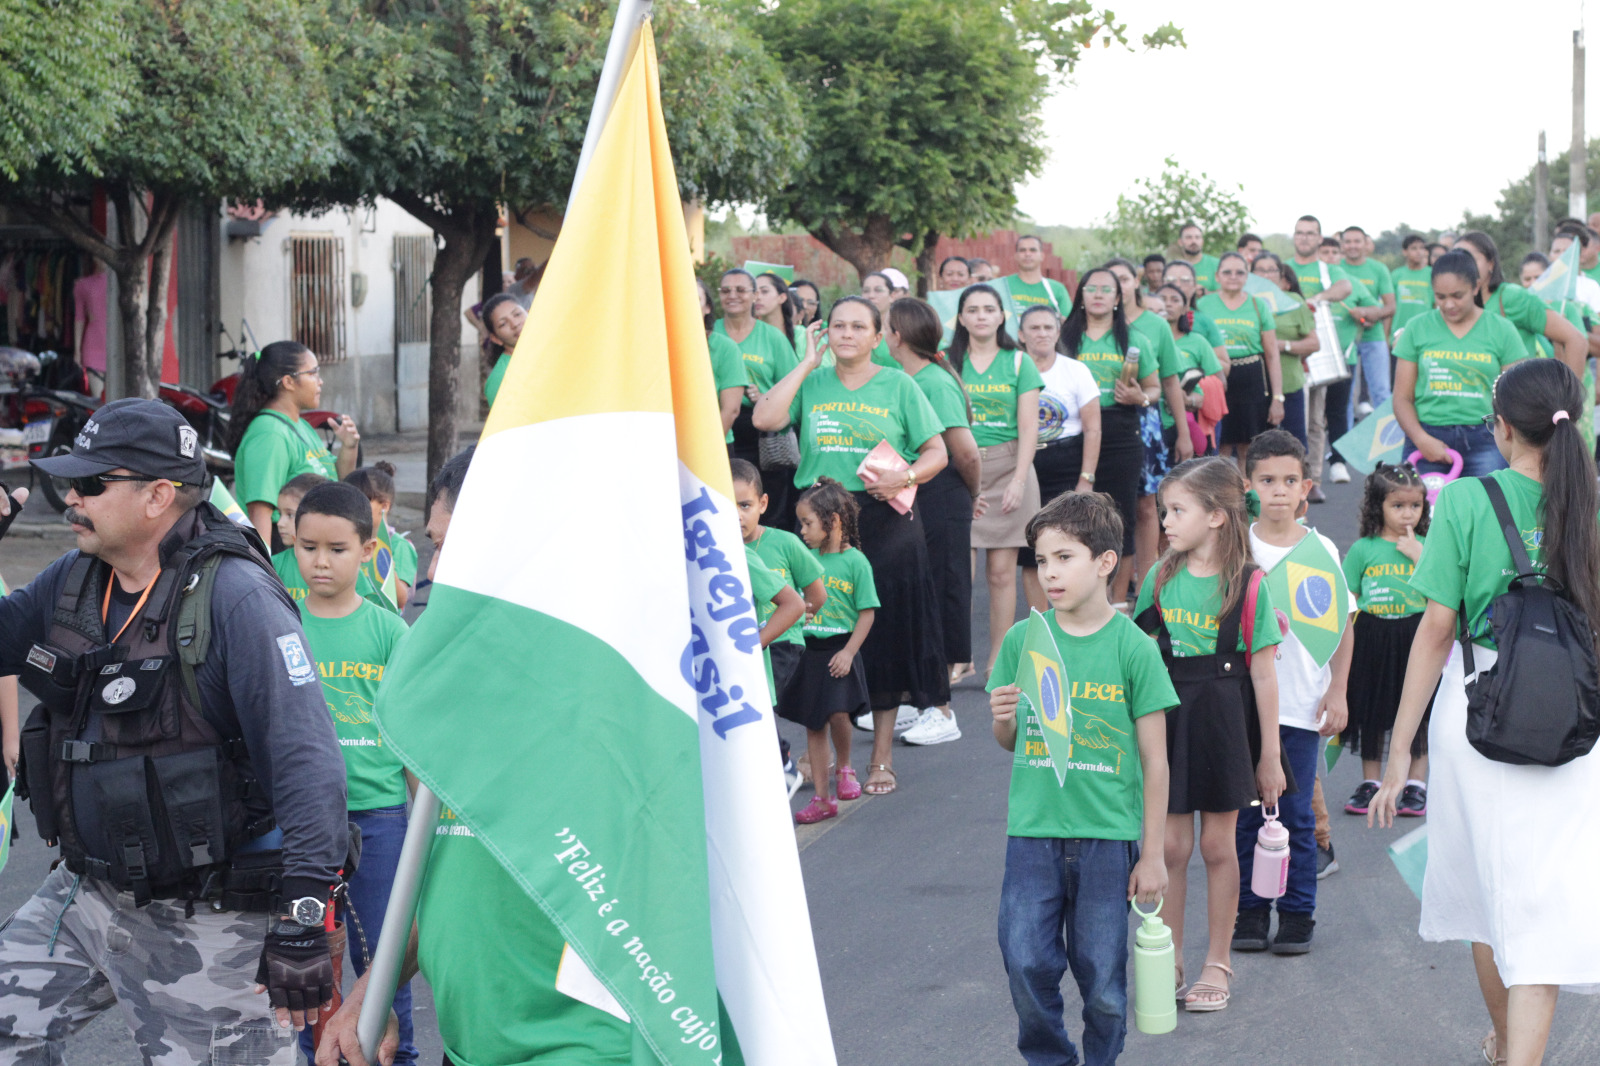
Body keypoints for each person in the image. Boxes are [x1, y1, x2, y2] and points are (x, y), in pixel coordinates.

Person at [0, 399, 348, 1060]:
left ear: (158, 495)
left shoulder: (238, 598)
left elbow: (307, 762)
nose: (71, 498)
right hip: (86, 895)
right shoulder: (77, 578)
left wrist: (304, 916)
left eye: (92, 483)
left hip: (209, 919)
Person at [1371, 357, 1600, 1066]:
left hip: (1478, 712)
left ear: (1502, 428)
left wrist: (1398, 753)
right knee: (1542, 909)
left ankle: (1507, 1049)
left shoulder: (1466, 501)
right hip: (1573, 718)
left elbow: (1436, 631)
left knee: (1483, 899)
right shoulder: (1590, 501)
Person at [989, 492, 1175, 1066]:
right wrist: (1003, 720)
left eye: (1064, 558)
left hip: (1107, 838)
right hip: (1033, 831)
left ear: (1104, 562)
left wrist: (1152, 856)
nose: (1049, 573)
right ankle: (1052, 1058)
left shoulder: (1134, 648)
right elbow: (1012, 741)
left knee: (1104, 984)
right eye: (1042, 560)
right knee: (1024, 960)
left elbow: (1156, 761)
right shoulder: (1024, 641)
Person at [753, 300, 949, 797]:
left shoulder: (899, 385)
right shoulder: (813, 381)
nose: (846, 333)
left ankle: (880, 757)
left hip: (883, 517)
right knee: (820, 634)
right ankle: (822, 753)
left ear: (878, 338)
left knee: (884, 636)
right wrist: (805, 362)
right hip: (818, 520)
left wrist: (905, 476)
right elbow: (765, 418)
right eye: (838, 325)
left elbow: (938, 452)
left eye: (859, 326)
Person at [1134, 456, 1285, 1013]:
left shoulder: (1249, 584)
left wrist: (1270, 756)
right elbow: (1135, 652)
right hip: (1169, 719)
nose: (1165, 521)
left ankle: (1217, 962)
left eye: (1178, 510)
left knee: (1219, 845)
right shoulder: (1159, 577)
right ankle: (1170, 957)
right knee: (1171, 846)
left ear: (1217, 516)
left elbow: (1264, 674)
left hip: (1223, 722)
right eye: (1165, 510)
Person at [289, 481, 417, 1066]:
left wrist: (425, 829)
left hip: (381, 817)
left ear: (367, 550)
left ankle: (399, 1056)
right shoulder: (280, 624)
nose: (321, 561)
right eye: (308, 546)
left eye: (337, 549)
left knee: (384, 964)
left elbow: (414, 738)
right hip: (300, 823)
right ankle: (313, 1056)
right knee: (304, 963)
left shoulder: (390, 632)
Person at [1234, 431, 1352, 957]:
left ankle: (1298, 913)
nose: (1278, 490)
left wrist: (1338, 691)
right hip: (1242, 705)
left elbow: (1343, 624)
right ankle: (1250, 911)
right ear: (1248, 485)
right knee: (1247, 815)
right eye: (1266, 480)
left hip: (1302, 704)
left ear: (1306, 487)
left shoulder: (1319, 549)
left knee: (1296, 815)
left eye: (1288, 480)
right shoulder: (1236, 546)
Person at [885, 298, 981, 745]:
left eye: (884, 328)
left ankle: (941, 708)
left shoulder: (935, 383)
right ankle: (917, 697)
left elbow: (966, 453)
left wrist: (973, 495)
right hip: (916, 494)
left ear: (897, 336)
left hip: (942, 494)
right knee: (916, 595)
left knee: (943, 594)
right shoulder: (907, 378)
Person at [947, 284, 1043, 676]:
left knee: (1002, 575)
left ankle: (998, 660)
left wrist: (1019, 479)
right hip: (960, 469)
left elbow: (1029, 428)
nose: (982, 316)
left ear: (1002, 316)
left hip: (1009, 469)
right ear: (960, 318)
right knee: (959, 576)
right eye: (973, 309)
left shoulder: (1019, 362)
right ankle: (959, 657)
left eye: (989, 309)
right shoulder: (947, 362)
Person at [1059, 268, 1159, 607]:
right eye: (1092, 288)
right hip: (1072, 431)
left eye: (1106, 289)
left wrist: (1139, 397)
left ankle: (1116, 602)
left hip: (1120, 430)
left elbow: (1154, 389)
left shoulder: (1134, 339)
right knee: (1074, 517)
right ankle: (1078, 596)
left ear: (1118, 298)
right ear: (1081, 295)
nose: (1098, 295)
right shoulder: (1064, 337)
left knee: (1120, 517)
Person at [783, 479, 878, 825]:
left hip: (840, 649)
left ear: (833, 521)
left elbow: (867, 612)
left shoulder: (856, 562)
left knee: (839, 713)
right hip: (809, 651)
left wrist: (850, 652)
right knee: (814, 722)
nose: (802, 531)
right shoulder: (804, 559)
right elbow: (794, 600)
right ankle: (823, 798)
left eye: (808, 523)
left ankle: (846, 767)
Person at [1340, 462, 1431, 817]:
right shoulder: (1363, 548)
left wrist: (1420, 556)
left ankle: (1416, 784)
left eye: (1415, 505)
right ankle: (1371, 783)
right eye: (1398, 505)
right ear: (1378, 506)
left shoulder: (1428, 546)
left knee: (1419, 712)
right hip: (1372, 635)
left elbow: (1443, 590)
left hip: (1415, 634)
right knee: (1372, 712)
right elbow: (1348, 598)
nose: (1408, 513)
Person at [733, 458, 826, 792]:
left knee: (754, 700)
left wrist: (801, 616)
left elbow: (815, 594)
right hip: (744, 642)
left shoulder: (784, 542)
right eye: (727, 506)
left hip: (782, 641)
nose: (736, 515)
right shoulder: (720, 549)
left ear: (763, 503)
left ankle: (781, 762)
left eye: (744, 505)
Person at [1393, 250, 1529, 477]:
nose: (1448, 304)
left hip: (1487, 440)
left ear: (1476, 287)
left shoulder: (1502, 329)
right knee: (1421, 502)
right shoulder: (1416, 327)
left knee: (1486, 500)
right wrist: (1421, 439)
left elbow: (1516, 397)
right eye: (1440, 297)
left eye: (1457, 295)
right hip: (1427, 439)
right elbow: (1401, 398)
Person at [1106, 258, 1191, 603]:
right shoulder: (1089, 324)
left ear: (1135, 283)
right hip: (1101, 423)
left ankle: (1145, 590)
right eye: (1111, 280)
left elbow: (1170, 382)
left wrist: (1184, 433)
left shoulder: (1154, 325)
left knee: (1145, 507)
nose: (1118, 286)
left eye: (1124, 279)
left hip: (1146, 422)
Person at [231, 341, 360, 547]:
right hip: (284, 550)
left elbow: (337, 482)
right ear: (289, 382)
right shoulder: (269, 433)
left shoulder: (300, 425)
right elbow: (259, 512)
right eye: (313, 373)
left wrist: (349, 447)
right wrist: (264, 565)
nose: (320, 382)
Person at [1017, 305, 1101, 611]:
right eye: (1034, 328)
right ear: (1021, 334)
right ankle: (1041, 621)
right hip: (1025, 464)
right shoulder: (1013, 368)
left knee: (1069, 544)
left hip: (1067, 462)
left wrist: (1086, 479)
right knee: (1031, 551)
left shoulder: (1075, 370)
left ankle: (1069, 615)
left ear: (1057, 332)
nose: (1041, 333)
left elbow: (1093, 428)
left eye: (1048, 327)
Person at [714, 267, 798, 517]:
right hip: (719, 427)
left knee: (763, 509)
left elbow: (794, 387)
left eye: (741, 290)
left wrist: (766, 398)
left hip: (763, 435)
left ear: (754, 295)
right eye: (726, 290)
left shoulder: (773, 337)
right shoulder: (706, 333)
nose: (733, 295)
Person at [1455, 231, 1586, 377]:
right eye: (1456, 259)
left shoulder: (1511, 297)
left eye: (1470, 259)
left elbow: (1576, 340)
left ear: (1490, 263)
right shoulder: (1451, 307)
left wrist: (1569, 390)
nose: (1462, 266)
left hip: (1518, 390)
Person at [1288, 216, 1357, 491]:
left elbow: (1345, 288)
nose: (1304, 238)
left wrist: (1315, 299)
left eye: (1310, 233)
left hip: (1316, 353)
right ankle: (1287, 478)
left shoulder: (1328, 270)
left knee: (1315, 420)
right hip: (1286, 354)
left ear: (1319, 238)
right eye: (1300, 232)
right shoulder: (1284, 268)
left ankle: (1313, 478)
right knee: (1286, 420)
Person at [1196, 252, 1284, 465]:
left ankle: (1246, 488)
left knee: (1249, 448)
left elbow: (1272, 354)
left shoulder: (1258, 305)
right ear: (1217, 276)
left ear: (1247, 276)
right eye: (1227, 272)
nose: (1233, 276)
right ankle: (1220, 487)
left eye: (1239, 272)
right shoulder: (1202, 305)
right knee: (1219, 445)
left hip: (1251, 378)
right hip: (1215, 378)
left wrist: (1277, 398)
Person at [1252, 253, 1319, 457]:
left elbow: (1314, 343)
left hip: (1289, 384)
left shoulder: (1294, 302)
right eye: (1260, 270)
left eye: (1271, 270)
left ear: (1281, 275)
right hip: (1252, 387)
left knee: (1294, 447)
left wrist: (1283, 345)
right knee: (1254, 450)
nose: (1266, 275)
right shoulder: (1243, 302)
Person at [1156, 284, 1225, 457]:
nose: (1168, 304)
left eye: (1175, 300)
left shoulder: (1197, 341)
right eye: (1162, 299)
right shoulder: (1142, 340)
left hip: (1186, 422)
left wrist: (1190, 398)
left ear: (1185, 309)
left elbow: (1220, 382)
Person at [344, 462, 417, 609]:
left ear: (384, 506)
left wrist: (386, 567)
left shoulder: (399, 546)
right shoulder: (347, 541)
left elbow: (401, 599)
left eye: (362, 501)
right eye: (347, 501)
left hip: (379, 621)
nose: (351, 508)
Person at [1339, 225, 1395, 413]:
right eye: (1348, 242)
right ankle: (1345, 433)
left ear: (1366, 244)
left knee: (1381, 392)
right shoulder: (1335, 268)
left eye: (1357, 241)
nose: (1352, 246)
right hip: (1344, 339)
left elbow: (1390, 306)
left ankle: (1385, 432)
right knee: (1345, 397)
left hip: (1373, 336)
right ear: (1342, 245)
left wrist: (1369, 313)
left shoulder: (1378, 269)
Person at [697, 279, 747, 444]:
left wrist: (709, 446)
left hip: (710, 445)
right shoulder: (657, 344)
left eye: (696, 299)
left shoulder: (725, 347)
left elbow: (730, 410)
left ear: (707, 308)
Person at [1161, 260, 1231, 368]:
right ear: (1162, 284)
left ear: (1194, 286)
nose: (1178, 285)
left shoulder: (1204, 322)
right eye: (1171, 280)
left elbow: (1225, 366)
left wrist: (1196, 365)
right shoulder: (1151, 319)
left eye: (1185, 280)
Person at [1001, 235, 1072, 321]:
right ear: (1016, 256)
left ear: (1042, 256)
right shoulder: (1002, 286)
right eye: (1022, 250)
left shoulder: (1057, 289)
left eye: (1033, 250)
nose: (1027, 254)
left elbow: (1070, 322)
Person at [478, 292, 527, 407]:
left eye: (517, 314)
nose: (514, 324)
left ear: (529, 312)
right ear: (496, 339)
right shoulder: (501, 378)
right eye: (503, 324)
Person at [1392, 234, 1436, 337]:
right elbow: (1390, 306)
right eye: (1414, 248)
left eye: (1421, 248)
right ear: (1404, 252)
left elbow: (1436, 306)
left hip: (1425, 332)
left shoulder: (1433, 274)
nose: (1418, 252)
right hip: (1399, 332)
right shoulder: (1396, 275)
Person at [755, 271, 801, 352]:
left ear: (782, 297)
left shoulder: (801, 336)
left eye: (764, 291)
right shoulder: (749, 334)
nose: (757, 297)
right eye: (754, 293)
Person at [1175, 224, 1220, 291]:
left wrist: (1204, 292)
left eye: (1197, 237)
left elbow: (1226, 293)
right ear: (1180, 242)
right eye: (1189, 237)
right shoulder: (1173, 267)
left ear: (1202, 241)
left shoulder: (1217, 264)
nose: (1194, 241)